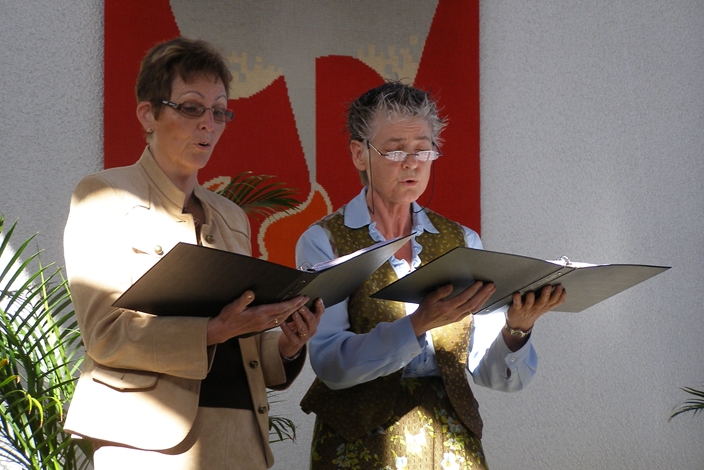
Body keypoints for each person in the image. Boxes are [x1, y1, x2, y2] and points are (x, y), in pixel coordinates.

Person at [62, 37, 323, 470]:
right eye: (190, 107)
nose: (208, 124)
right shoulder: (103, 195)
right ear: (148, 114)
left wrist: (287, 344)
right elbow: (105, 334)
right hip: (143, 440)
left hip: (240, 438)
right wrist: (212, 331)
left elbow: (248, 345)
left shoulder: (232, 216)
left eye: (219, 111)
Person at [296, 81, 566, 469]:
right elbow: (331, 365)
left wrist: (517, 329)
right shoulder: (324, 241)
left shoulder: (462, 241)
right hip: (357, 448)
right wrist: (418, 323)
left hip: (451, 446)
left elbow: (497, 376)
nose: (412, 163)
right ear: (359, 154)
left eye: (423, 149)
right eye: (395, 150)